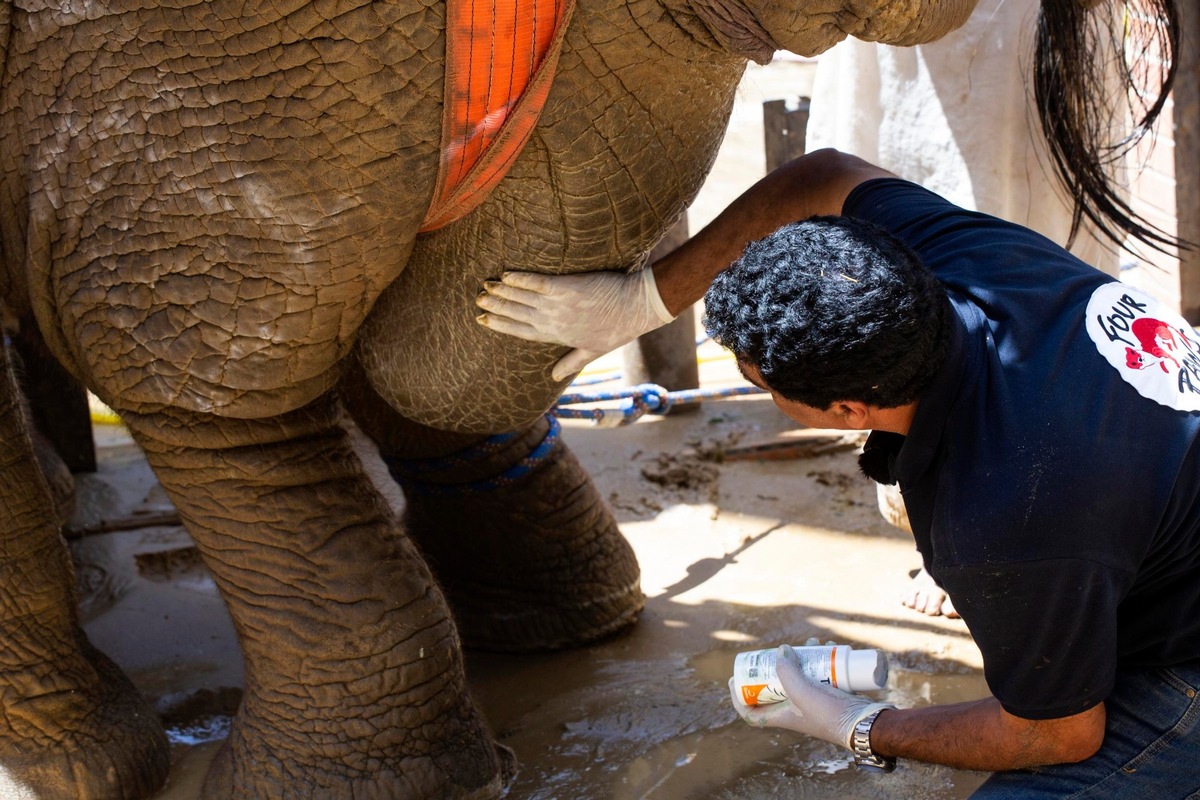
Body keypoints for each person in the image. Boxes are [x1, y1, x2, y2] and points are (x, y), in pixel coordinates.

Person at [474, 149, 1200, 794]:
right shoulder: (969, 259)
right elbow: (821, 176)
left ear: (848, 408)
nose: (760, 391)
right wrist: (649, 299)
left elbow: (1057, 734)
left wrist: (860, 725)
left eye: (764, 387)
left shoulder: (1005, 516)